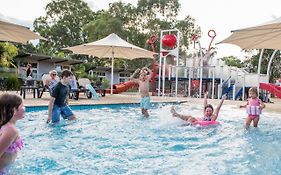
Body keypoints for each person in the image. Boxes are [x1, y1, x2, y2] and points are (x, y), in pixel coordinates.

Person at [0, 94, 25, 173]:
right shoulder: (11, 130)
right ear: (14, 110)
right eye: (22, 106)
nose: (25, 108)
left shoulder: (7, 126)